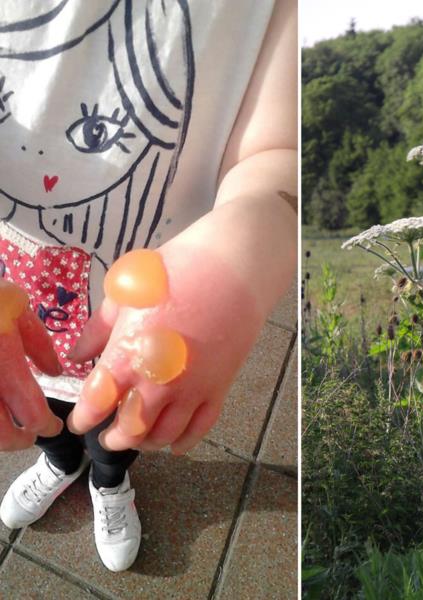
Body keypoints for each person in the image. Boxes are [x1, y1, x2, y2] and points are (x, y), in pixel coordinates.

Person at [0, 0, 297, 572]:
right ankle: (61, 461)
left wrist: (242, 246)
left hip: (142, 324)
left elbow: (281, 148)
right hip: (17, 313)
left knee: (121, 422)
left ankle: (110, 481)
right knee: (36, 409)